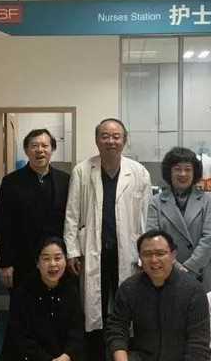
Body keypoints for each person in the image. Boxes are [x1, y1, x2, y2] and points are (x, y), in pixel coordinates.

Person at [64, 118, 151, 360]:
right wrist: (72, 251)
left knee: (127, 303)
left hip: (128, 252)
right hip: (93, 251)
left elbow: (147, 217)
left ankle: (125, 352)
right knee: (95, 308)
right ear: (96, 140)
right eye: (105, 136)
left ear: (124, 140)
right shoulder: (82, 170)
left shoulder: (139, 172)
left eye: (116, 136)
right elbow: (72, 214)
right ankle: (96, 354)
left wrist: (145, 254)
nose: (110, 141)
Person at [105, 229, 211, 361]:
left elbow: (198, 345)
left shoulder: (194, 290)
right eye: (147, 254)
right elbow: (117, 327)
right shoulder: (129, 288)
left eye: (160, 253)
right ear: (140, 257)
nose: (154, 260)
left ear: (173, 255)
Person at [0, 129, 70, 290]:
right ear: (26, 150)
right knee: (23, 303)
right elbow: (2, 224)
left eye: (45, 145)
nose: (40, 150)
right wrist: (5, 263)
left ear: (52, 149)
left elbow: (72, 220)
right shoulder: (11, 182)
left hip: (56, 262)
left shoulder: (65, 180)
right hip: (22, 260)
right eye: (34, 146)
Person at [147, 147, 211, 292]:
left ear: (195, 172)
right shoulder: (156, 202)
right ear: (169, 172)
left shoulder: (206, 200)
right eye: (177, 169)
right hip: (167, 271)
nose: (183, 174)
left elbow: (209, 239)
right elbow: (153, 240)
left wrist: (189, 268)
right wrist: (175, 267)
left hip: (201, 272)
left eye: (188, 169)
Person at [8, 236, 84, 361]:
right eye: (46, 259)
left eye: (58, 258)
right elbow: (20, 337)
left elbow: (77, 332)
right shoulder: (23, 293)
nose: (53, 264)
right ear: (37, 263)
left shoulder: (71, 290)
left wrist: (66, 356)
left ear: (65, 260)